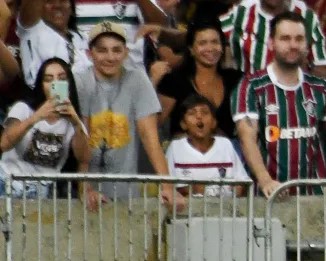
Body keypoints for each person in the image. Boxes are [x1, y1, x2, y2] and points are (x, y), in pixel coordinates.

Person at [232, 11, 326, 195]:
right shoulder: (251, 86)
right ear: (271, 43)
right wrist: (266, 181)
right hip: (265, 198)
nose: (293, 45)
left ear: (307, 45)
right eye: (285, 38)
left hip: (311, 200)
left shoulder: (321, 88)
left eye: (299, 39)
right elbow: (247, 138)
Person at [75, 21, 176, 207]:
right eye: (102, 50)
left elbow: (149, 136)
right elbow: (81, 137)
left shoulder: (137, 80)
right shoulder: (81, 82)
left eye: (116, 50)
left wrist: (167, 185)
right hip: (88, 191)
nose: (110, 56)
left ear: (126, 53)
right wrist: (85, 188)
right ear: (90, 54)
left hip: (127, 192)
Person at [0, 57, 87, 197]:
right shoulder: (24, 109)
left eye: (61, 78)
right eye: (48, 79)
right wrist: (36, 117)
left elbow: (84, 158)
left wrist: (76, 122)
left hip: (40, 192)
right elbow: (4, 144)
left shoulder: (73, 122)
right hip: (7, 182)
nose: (55, 83)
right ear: (41, 85)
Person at [157, 22, 244, 138]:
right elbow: (156, 122)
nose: (210, 48)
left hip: (229, 152)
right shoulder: (175, 81)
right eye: (202, 43)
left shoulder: (236, 80)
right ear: (191, 49)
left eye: (215, 42)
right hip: (185, 152)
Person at [164, 93, 250, 196]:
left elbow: (242, 182)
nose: (199, 117)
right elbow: (168, 185)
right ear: (183, 124)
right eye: (192, 113)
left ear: (214, 122)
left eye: (205, 113)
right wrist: (195, 189)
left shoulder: (225, 145)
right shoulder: (175, 148)